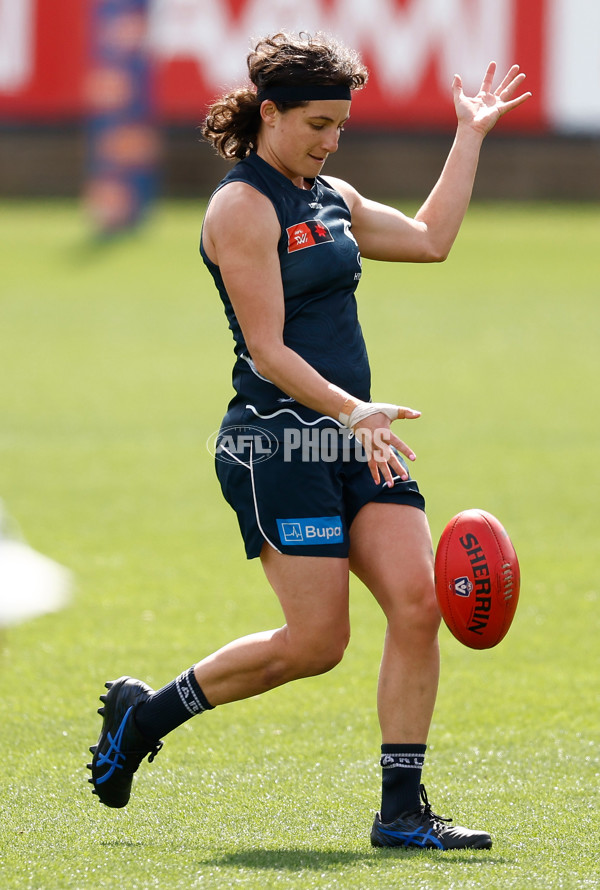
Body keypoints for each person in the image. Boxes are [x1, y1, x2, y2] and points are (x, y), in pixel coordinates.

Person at [87, 31, 530, 849]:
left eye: (341, 129)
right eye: (318, 124)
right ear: (271, 113)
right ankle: (144, 717)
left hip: (354, 436)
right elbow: (268, 350)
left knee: (419, 602)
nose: (331, 142)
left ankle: (401, 813)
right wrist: (350, 410)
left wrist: (469, 134)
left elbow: (432, 239)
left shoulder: (334, 197)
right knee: (317, 644)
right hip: (277, 444)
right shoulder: (241, 207)